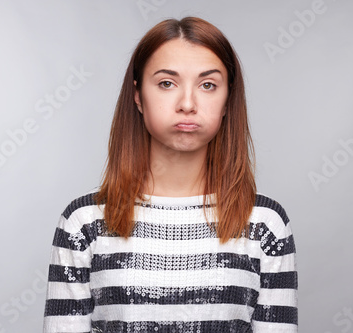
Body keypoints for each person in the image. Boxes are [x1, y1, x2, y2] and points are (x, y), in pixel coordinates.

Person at [43, 16, 298, 333]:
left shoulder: (265, 224)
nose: (188, 103)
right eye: (167, 83)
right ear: (138, 96)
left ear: (227, 99)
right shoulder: (84, 224)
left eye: (208, 85)